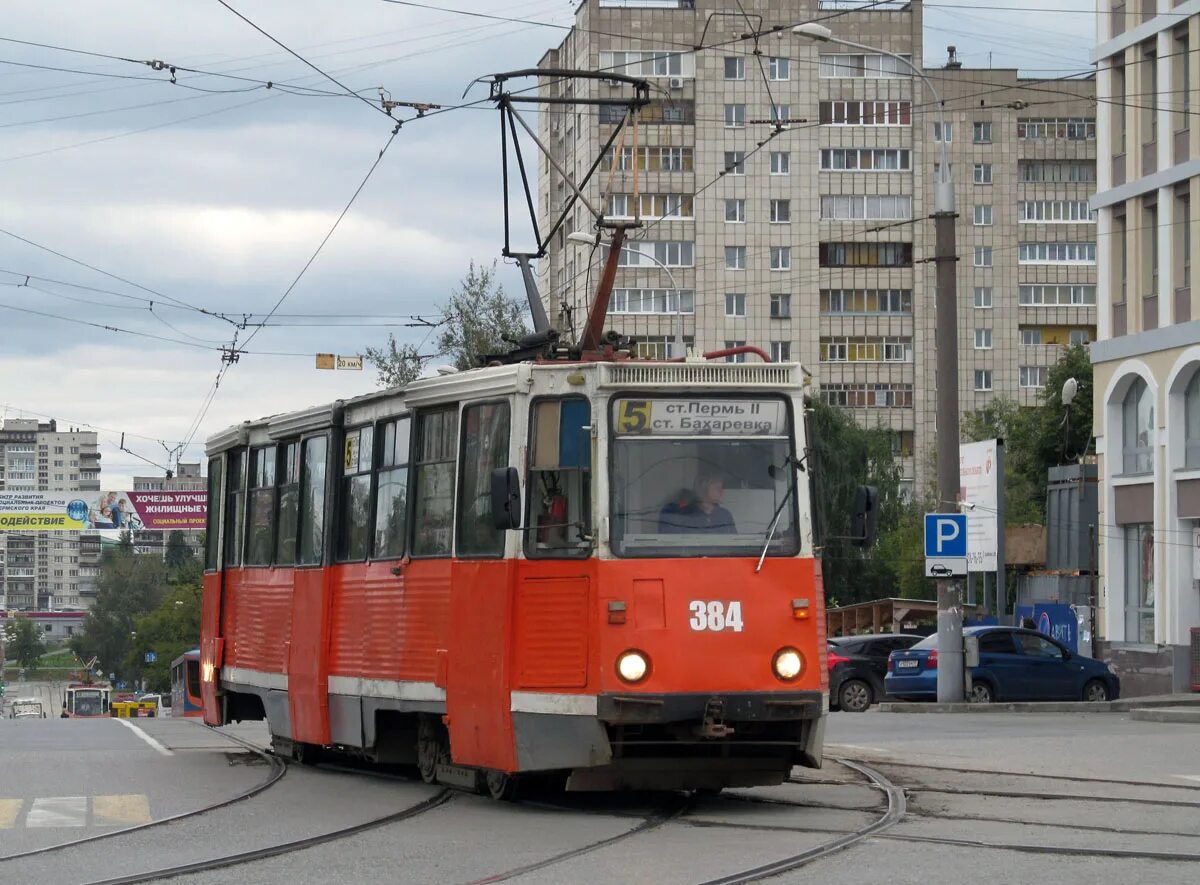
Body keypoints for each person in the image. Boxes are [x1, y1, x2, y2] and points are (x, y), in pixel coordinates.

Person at [660, 471, 737, 534]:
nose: (721, 491)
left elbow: (734, 543)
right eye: (716, 488)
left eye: (721, 488)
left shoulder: (725, 515)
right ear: (703, 488)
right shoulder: (686, 515)